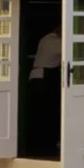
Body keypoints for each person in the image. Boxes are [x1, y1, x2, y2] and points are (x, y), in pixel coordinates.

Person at [27, 27, 62, 156]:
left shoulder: (45, 39)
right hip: (44, 78)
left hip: (38, 76)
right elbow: (69, 50)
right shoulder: (53, 41)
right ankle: (44, 143)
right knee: (46, 110)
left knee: (40, 111)